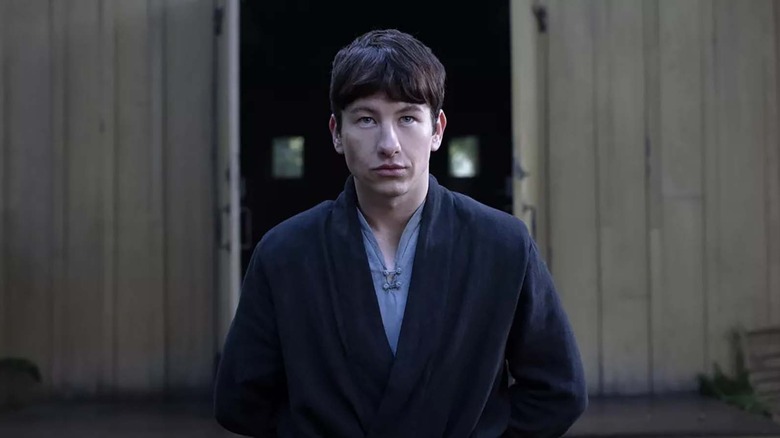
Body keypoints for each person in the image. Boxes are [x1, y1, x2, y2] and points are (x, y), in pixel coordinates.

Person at [214, 28, 587, 437]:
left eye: (408, 117)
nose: (389, 144)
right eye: (366, 119)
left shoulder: (502, 245)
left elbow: (559, 391)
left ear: (438, 129)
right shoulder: (285, 253)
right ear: (337, 133)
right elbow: (240, 400)